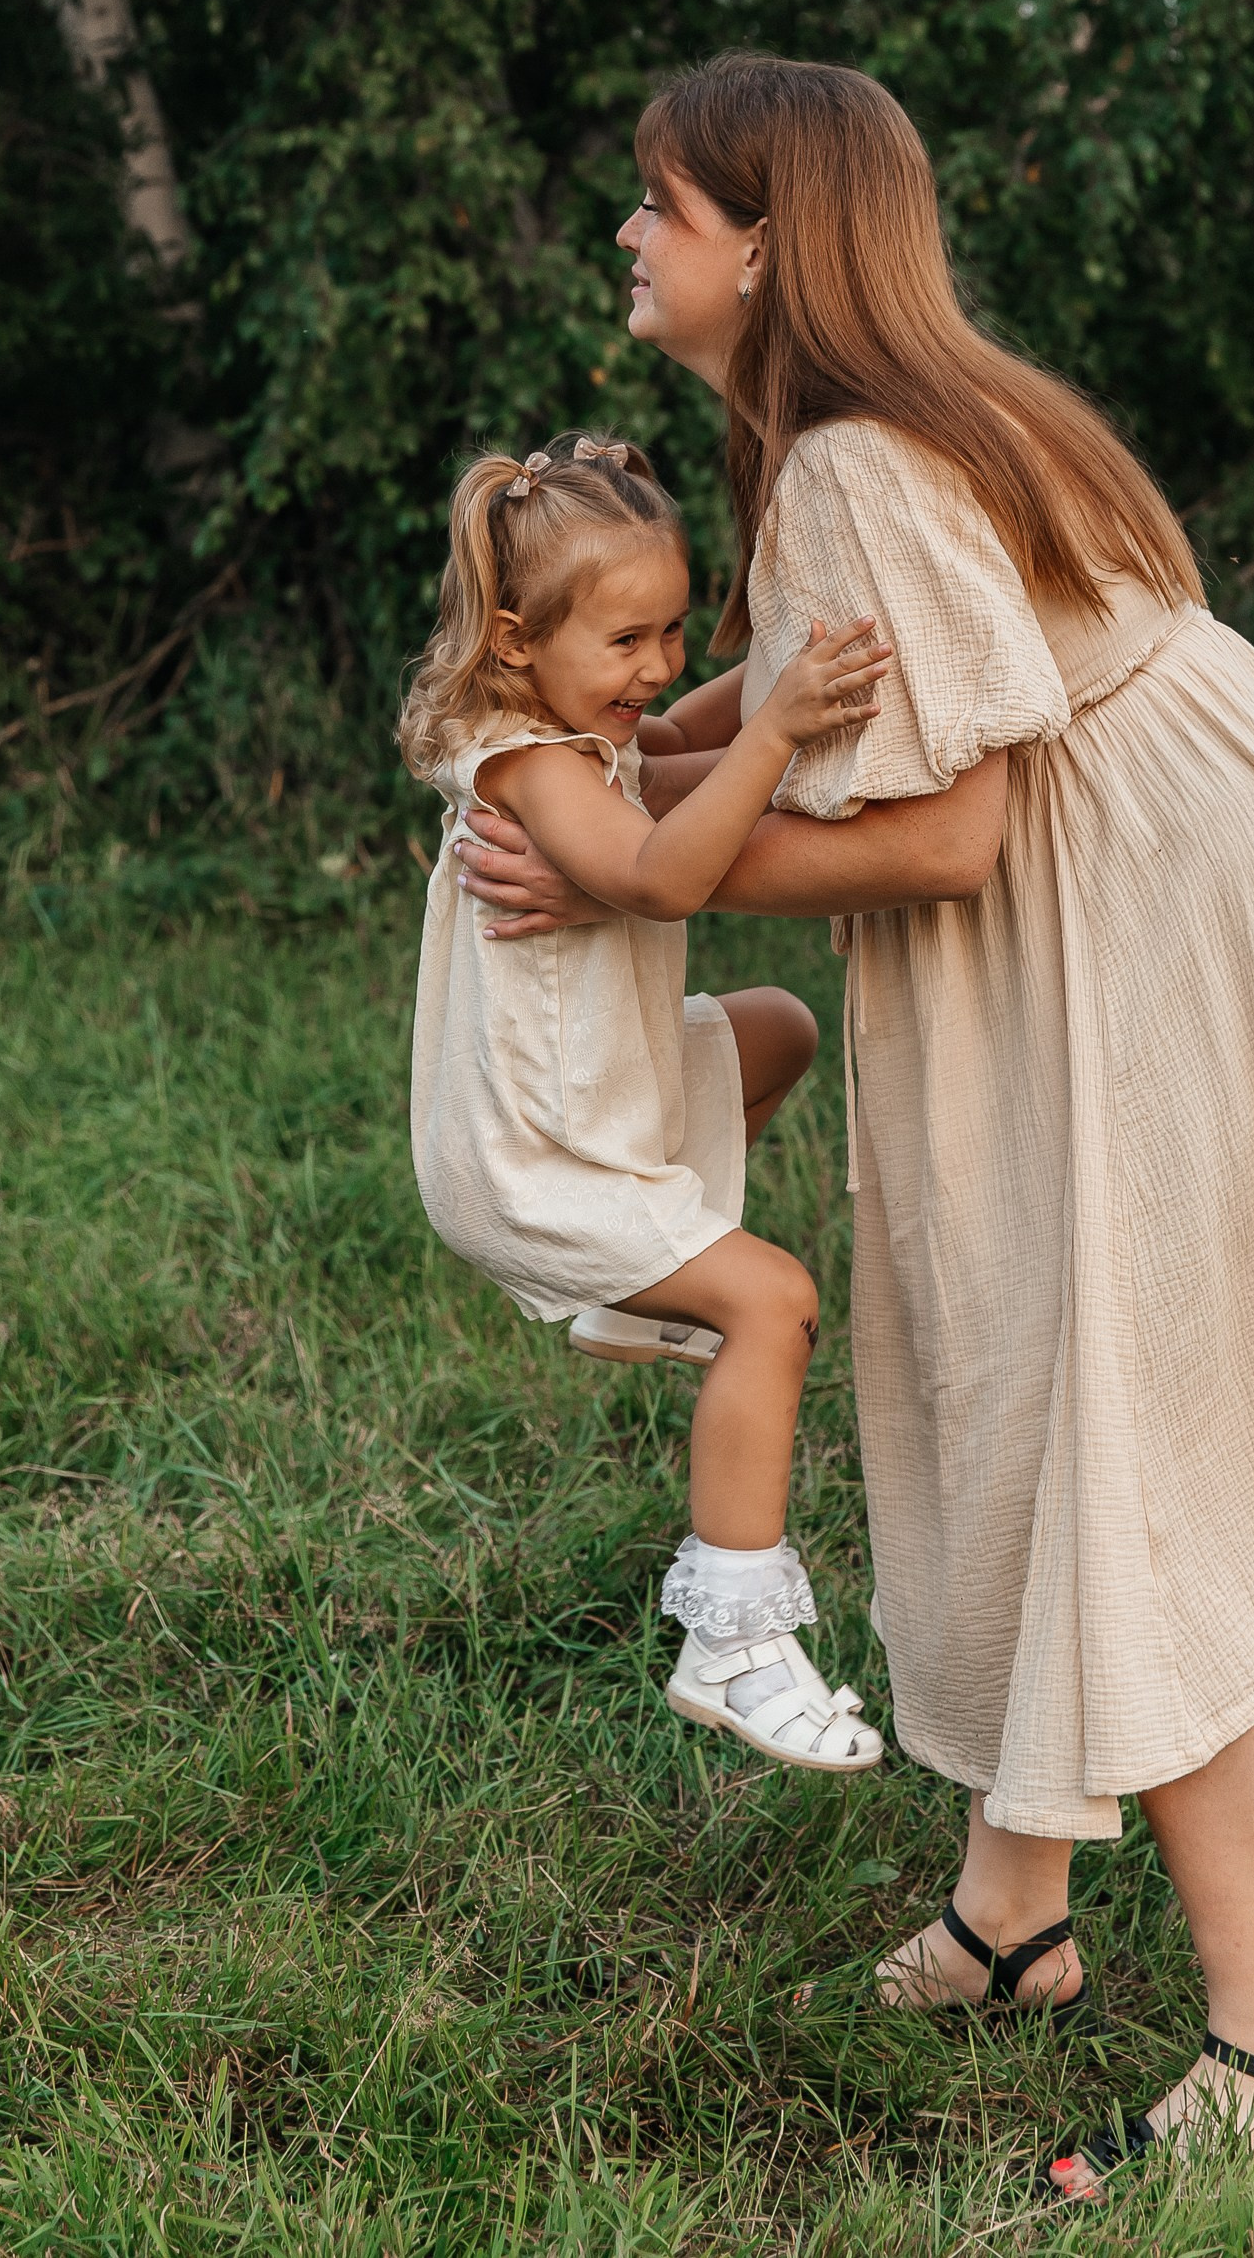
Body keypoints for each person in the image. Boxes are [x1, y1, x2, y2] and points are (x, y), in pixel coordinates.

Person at [455, 61, 1254, 2197]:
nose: (631, 238)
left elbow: (957, 824)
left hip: (1130, 904)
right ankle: (1014, 1911)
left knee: (1124, 1411)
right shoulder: (896, 418)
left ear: (764, 239)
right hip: (1210, 843)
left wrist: (652, 875)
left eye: (660, 205)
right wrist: (628, 784)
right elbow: (784, 678)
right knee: (1038, 1373)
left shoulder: (844, 448)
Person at [402, 426, 896, 1775]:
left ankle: (647, 1278)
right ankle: (732, 1640)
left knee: (775, 1029)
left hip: (602, 1090)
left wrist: (785, 663)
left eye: (676, 629)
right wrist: (785, 722)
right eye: (628, 640)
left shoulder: (580, 726)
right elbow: (668, 872)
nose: (660, 668)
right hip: (541, 1153)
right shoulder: (524, 761)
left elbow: (677, 744)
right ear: (513, 639)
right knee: (774, 1302)